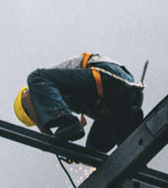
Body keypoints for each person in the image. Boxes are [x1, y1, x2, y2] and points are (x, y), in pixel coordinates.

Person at [13, 52, 144, 152]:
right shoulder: (59, 98)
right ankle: (129, 120)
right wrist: (69, 151)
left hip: (107, 76)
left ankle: (67, 121)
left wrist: (47, 136)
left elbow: (27, 97)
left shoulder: (41, 86)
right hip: (128, 97)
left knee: (34, 77)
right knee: (92, 150)